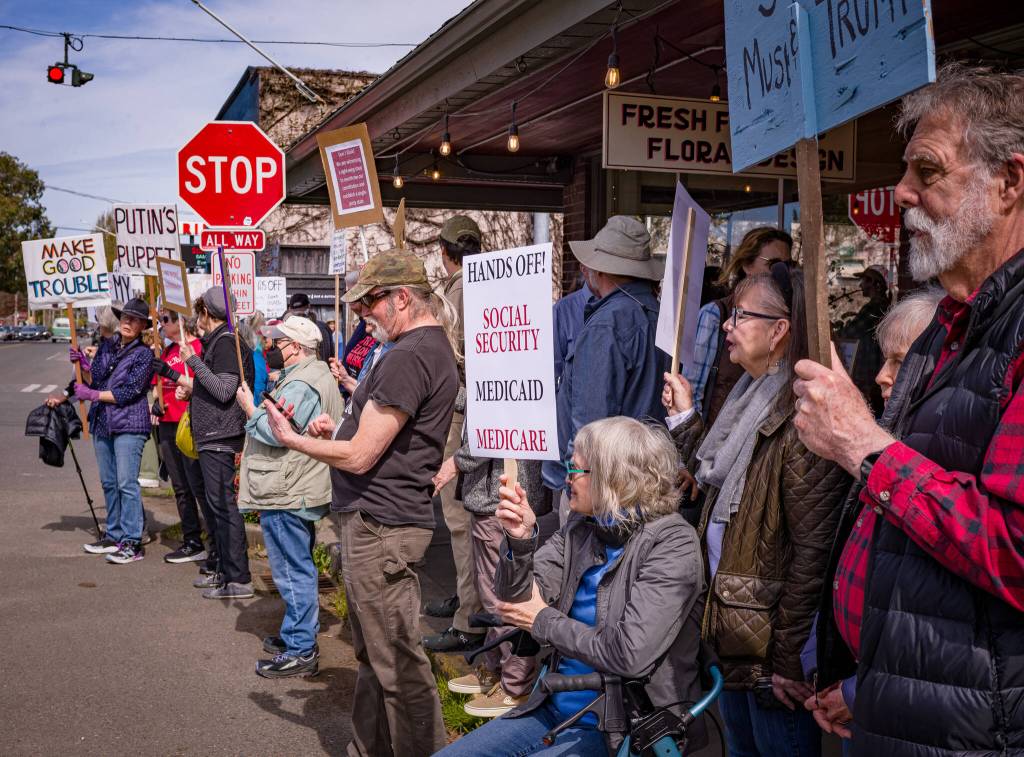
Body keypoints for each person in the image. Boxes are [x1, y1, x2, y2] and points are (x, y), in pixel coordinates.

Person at [792, 63, 1024, 755]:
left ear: (1011, 181)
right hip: (906, 706)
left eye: (928, 171)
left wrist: (863, 443)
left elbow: (1013, 549)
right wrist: (862, 680)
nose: (901, 193)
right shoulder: (951, 322)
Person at [262, 250, 458, 757]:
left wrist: (296, 439)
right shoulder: (414, 350)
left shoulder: (412, 353)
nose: (365, 313)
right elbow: (370, 437)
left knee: (397, 662)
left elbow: (362, 454)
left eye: (371, 301)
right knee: (377, 654)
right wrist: (335, 429)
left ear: (402, 298)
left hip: (382, 524)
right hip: (380, 519)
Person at [436, 416, 705, 757]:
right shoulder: (583, 527)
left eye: (576, 468)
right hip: (554, 707)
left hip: (623, 727)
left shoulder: (672, 544)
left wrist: (542, 620)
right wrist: (520, 542)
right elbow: (510, 602)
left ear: (615, 478)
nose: (567, 476)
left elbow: (629, 654)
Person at [663, 263, 848, 757]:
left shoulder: (805, 415)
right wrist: (685, 420)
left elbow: (813, 552)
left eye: (740, 315)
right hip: (741, 630)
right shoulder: (748, 394)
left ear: (780, 330)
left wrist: (787, 660)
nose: (727, 325)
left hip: (773, 648)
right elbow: (722, 480)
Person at [801, 287, 943, 744]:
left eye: (900, 362)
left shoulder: (939, 469)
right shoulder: (886, 447)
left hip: (908, 716)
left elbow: (944, 633)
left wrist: (863, 693)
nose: (882, 376)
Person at [234, 316, 345, 678]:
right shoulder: (307, 377)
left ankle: (301, 647)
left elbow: (275, 430)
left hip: (288, 488)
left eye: (279, 343)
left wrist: (250, 407)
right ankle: (297, 634)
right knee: (295, 564)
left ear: (296, 347)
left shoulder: (304, 383)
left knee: (291, 568)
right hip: (293, 485)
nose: (273, 348)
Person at [541, 216, 669, 525]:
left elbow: (588, 425)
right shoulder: (657, 314)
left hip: (603, 488)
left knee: (585, 568)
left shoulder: (606, 324)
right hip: (640, 479)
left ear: (601, 269)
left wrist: (575, 481)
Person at [443, 454, 548, 717]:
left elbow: (492, 428)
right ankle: (495, 669)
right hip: (490, 494)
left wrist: (457, 460)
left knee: (504, 598)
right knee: (491, 592)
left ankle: (515, 686)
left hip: (501, 497)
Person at [423, 214, 485, 653]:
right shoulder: (485, 287)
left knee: (461, 518)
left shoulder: (457, 292)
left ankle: (469, 619)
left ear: (445, 253)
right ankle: (468, 599)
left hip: (463, 409)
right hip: (480, 405)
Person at [175, 288, 255, 599]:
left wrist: (192, 361)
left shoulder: (224, 341)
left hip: (221, 437)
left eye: (200, 312)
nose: (197, 319)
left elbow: (224, 390)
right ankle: (224, 571)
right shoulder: (222, 340)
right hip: (213, 436)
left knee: (223, 508)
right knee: (216, 507)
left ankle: (238, 578)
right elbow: (215, 388)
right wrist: (193, 391)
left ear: (208, 313)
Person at [72, 297, 156, 564]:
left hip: (129, 424)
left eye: (134, 319)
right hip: (103, 423)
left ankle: (133, 541)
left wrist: (93, 394)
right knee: (109, 482)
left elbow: (129, 391)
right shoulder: (107, 346)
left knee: (126, 483)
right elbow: (95, 379)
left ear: (143, 325)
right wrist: (82, 367)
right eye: (124, 318)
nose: (127, 323)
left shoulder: (144, 354)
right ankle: (115, 533)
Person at [685, 228, 793, 425]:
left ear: (779, 329)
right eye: (774, 265)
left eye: (787, 265)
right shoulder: (715, 314)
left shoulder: (793, 315)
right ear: (747, 265)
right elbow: (693, 391)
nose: (781, 273)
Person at [150, 309, 210, 565]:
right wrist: (155, 400)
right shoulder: (165, 351)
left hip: (189, 422)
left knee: (197, 485)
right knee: (179, 486)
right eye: (160, 320)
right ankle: (192, 540)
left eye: (165, 320)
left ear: (179, 321)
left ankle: (213, 542)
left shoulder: (195, 347)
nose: (161, 325)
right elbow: (157, 385)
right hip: (167, 424)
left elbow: (200, 382)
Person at [839, 265, 890, 415]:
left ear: (877, 284)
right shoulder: (883, 306)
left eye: (865, 280)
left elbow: (850, 333)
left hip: (868, 375)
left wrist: (838, 329)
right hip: (874, 374)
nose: (861, 285)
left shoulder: (875, 307)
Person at [552, 274, 592, 383]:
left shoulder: (626, 306)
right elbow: (555, 368)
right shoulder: (562, 310)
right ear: (583, 268)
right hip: (575, 397)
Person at [287, 292, 333, 363]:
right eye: (297, 314)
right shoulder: (323, 326)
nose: (300, 317)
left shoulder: (322, 327)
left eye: (302, 314)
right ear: (309, 306)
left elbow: (329, 355)